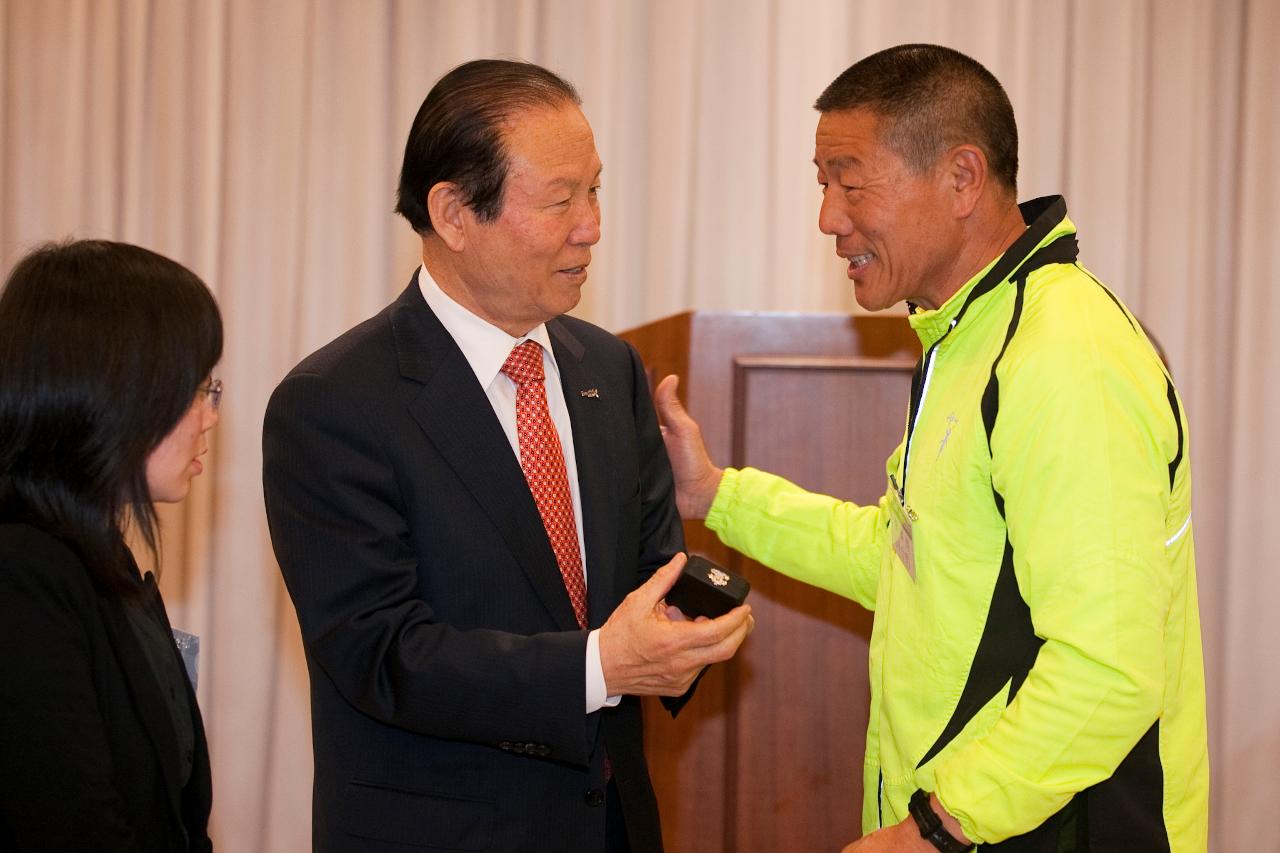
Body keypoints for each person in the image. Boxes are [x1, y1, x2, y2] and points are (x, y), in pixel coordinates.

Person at [654, 44, 1208, 852]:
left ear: (960, 178)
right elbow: (906, 558)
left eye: (851, 181)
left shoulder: (1063, 353)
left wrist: (936, 830)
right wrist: (715, 496)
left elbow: (1108, 668)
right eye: (822, 184)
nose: (828, 218)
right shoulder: (964, 337)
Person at [262, 59, 753, 853]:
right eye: (562, 198)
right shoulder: (334, 402)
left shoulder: (610, 369)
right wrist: (601, 664)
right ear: (454, 212)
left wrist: (681, 632)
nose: (591, 224)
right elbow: (380, 651)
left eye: (595, 190)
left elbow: (650, 573)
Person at [0, 240, 222, 851]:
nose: (209, 416)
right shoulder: (23, 573)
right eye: (196, 389)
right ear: (114, 390)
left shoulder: (100, 557)